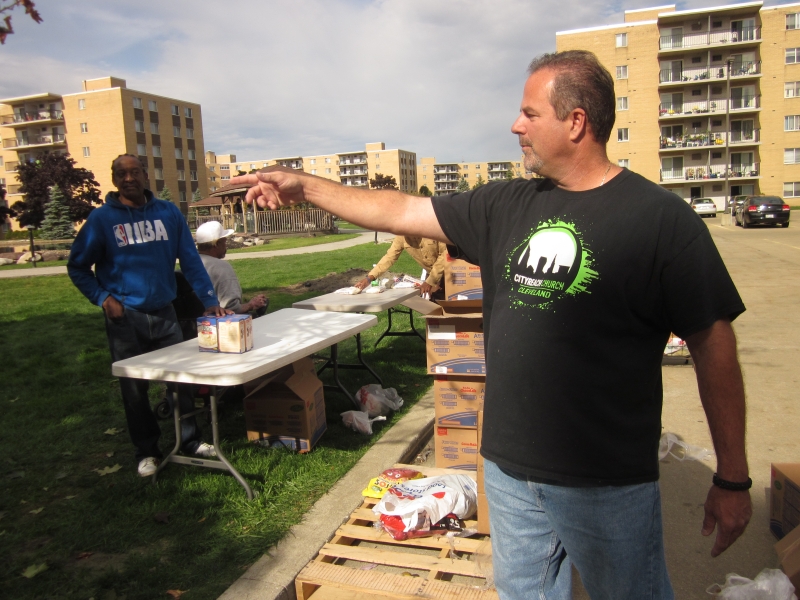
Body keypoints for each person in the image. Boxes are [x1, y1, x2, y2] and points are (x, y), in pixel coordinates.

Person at [230, 50, 752, 599]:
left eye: (529, 113)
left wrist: (732, 476)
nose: (515, 125)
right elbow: (398, 209)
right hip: (508, 470)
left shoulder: (661, 220)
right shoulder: (506, 203)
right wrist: (306, 188)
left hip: (606, 481)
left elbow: (714, 348)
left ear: (576, 122)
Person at [68, 155, 227, 478]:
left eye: (134, 172)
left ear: (145, 175)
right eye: (121, 173)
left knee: (181, 379)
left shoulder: (167, 213)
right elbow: (78, 267)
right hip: (125, 318)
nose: (129, 178)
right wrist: (103, 298)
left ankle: (189, 440)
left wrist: (208, 300)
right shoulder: (101, 220)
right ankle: (147, 451)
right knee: (134, 389)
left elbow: (190, 261)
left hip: (166, 312)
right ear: (114, 179)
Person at [194, 220, 268, 314]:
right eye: (224, 242)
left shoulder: (190, 265)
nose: (226, 246)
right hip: (216, 322)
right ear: (216, 244)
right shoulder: (221, 268)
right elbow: (232, 308)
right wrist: (251, 304)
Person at [354, 235, 447, 298]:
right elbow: (389, 257)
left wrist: (431, 281)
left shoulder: (432, 230)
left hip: (452, 273)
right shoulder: (401, 236)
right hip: (432, 275)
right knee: (434, 312)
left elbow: (445, 255)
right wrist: (369, 278)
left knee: (453, 309)